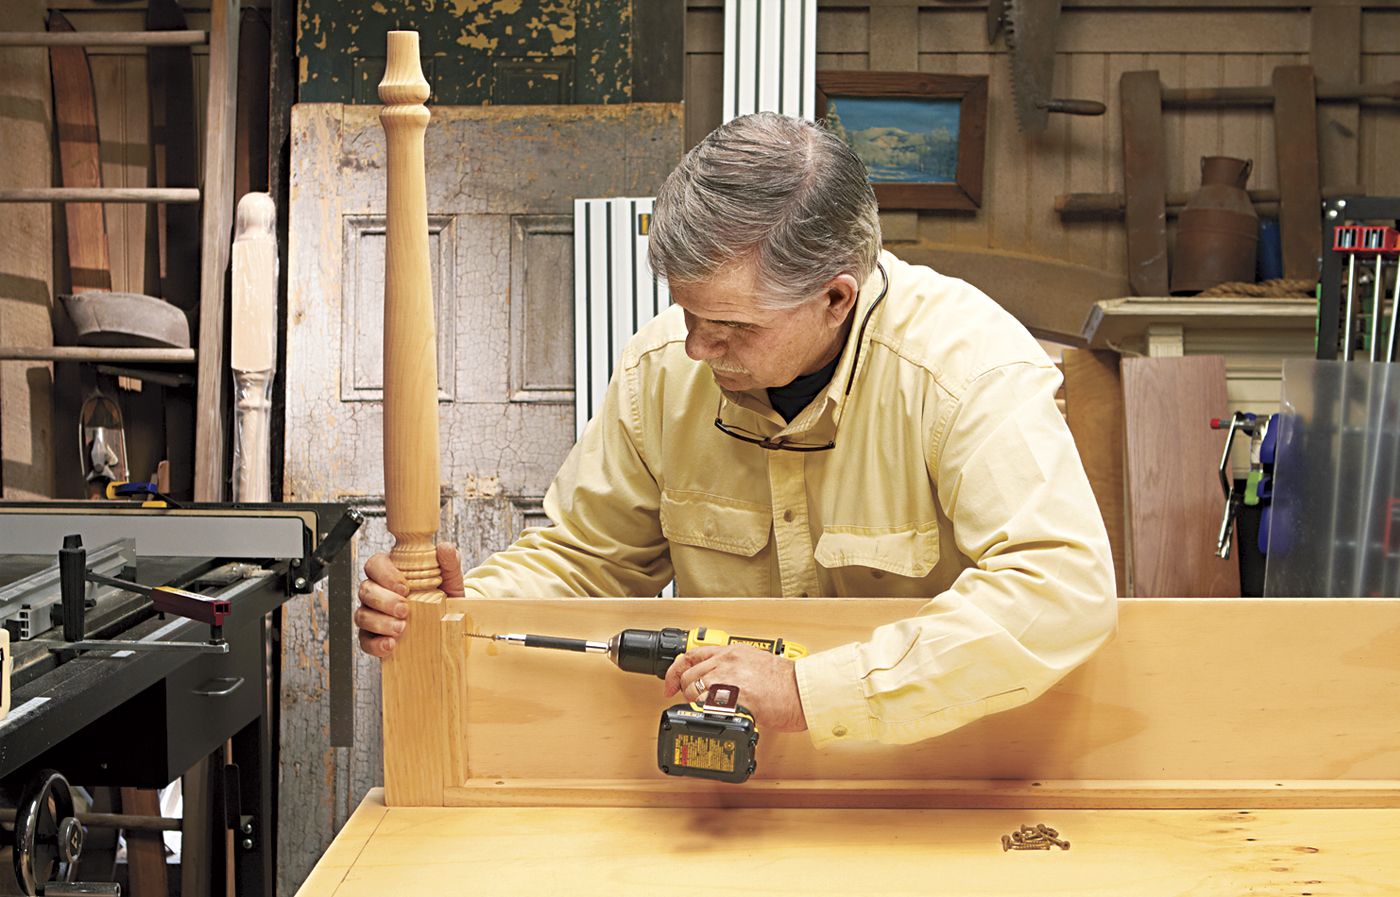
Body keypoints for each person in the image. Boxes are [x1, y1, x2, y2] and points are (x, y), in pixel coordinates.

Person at [357, 112, 1116, 748]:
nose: (695, 347)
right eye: (688, 313)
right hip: (722, 783)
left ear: (835, 298)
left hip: (946, 768)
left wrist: (809, 689)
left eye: (729, 324)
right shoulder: (663, 370)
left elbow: (1058, 589)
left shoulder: (967, 371)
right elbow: (586, 561)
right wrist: (463, 609)